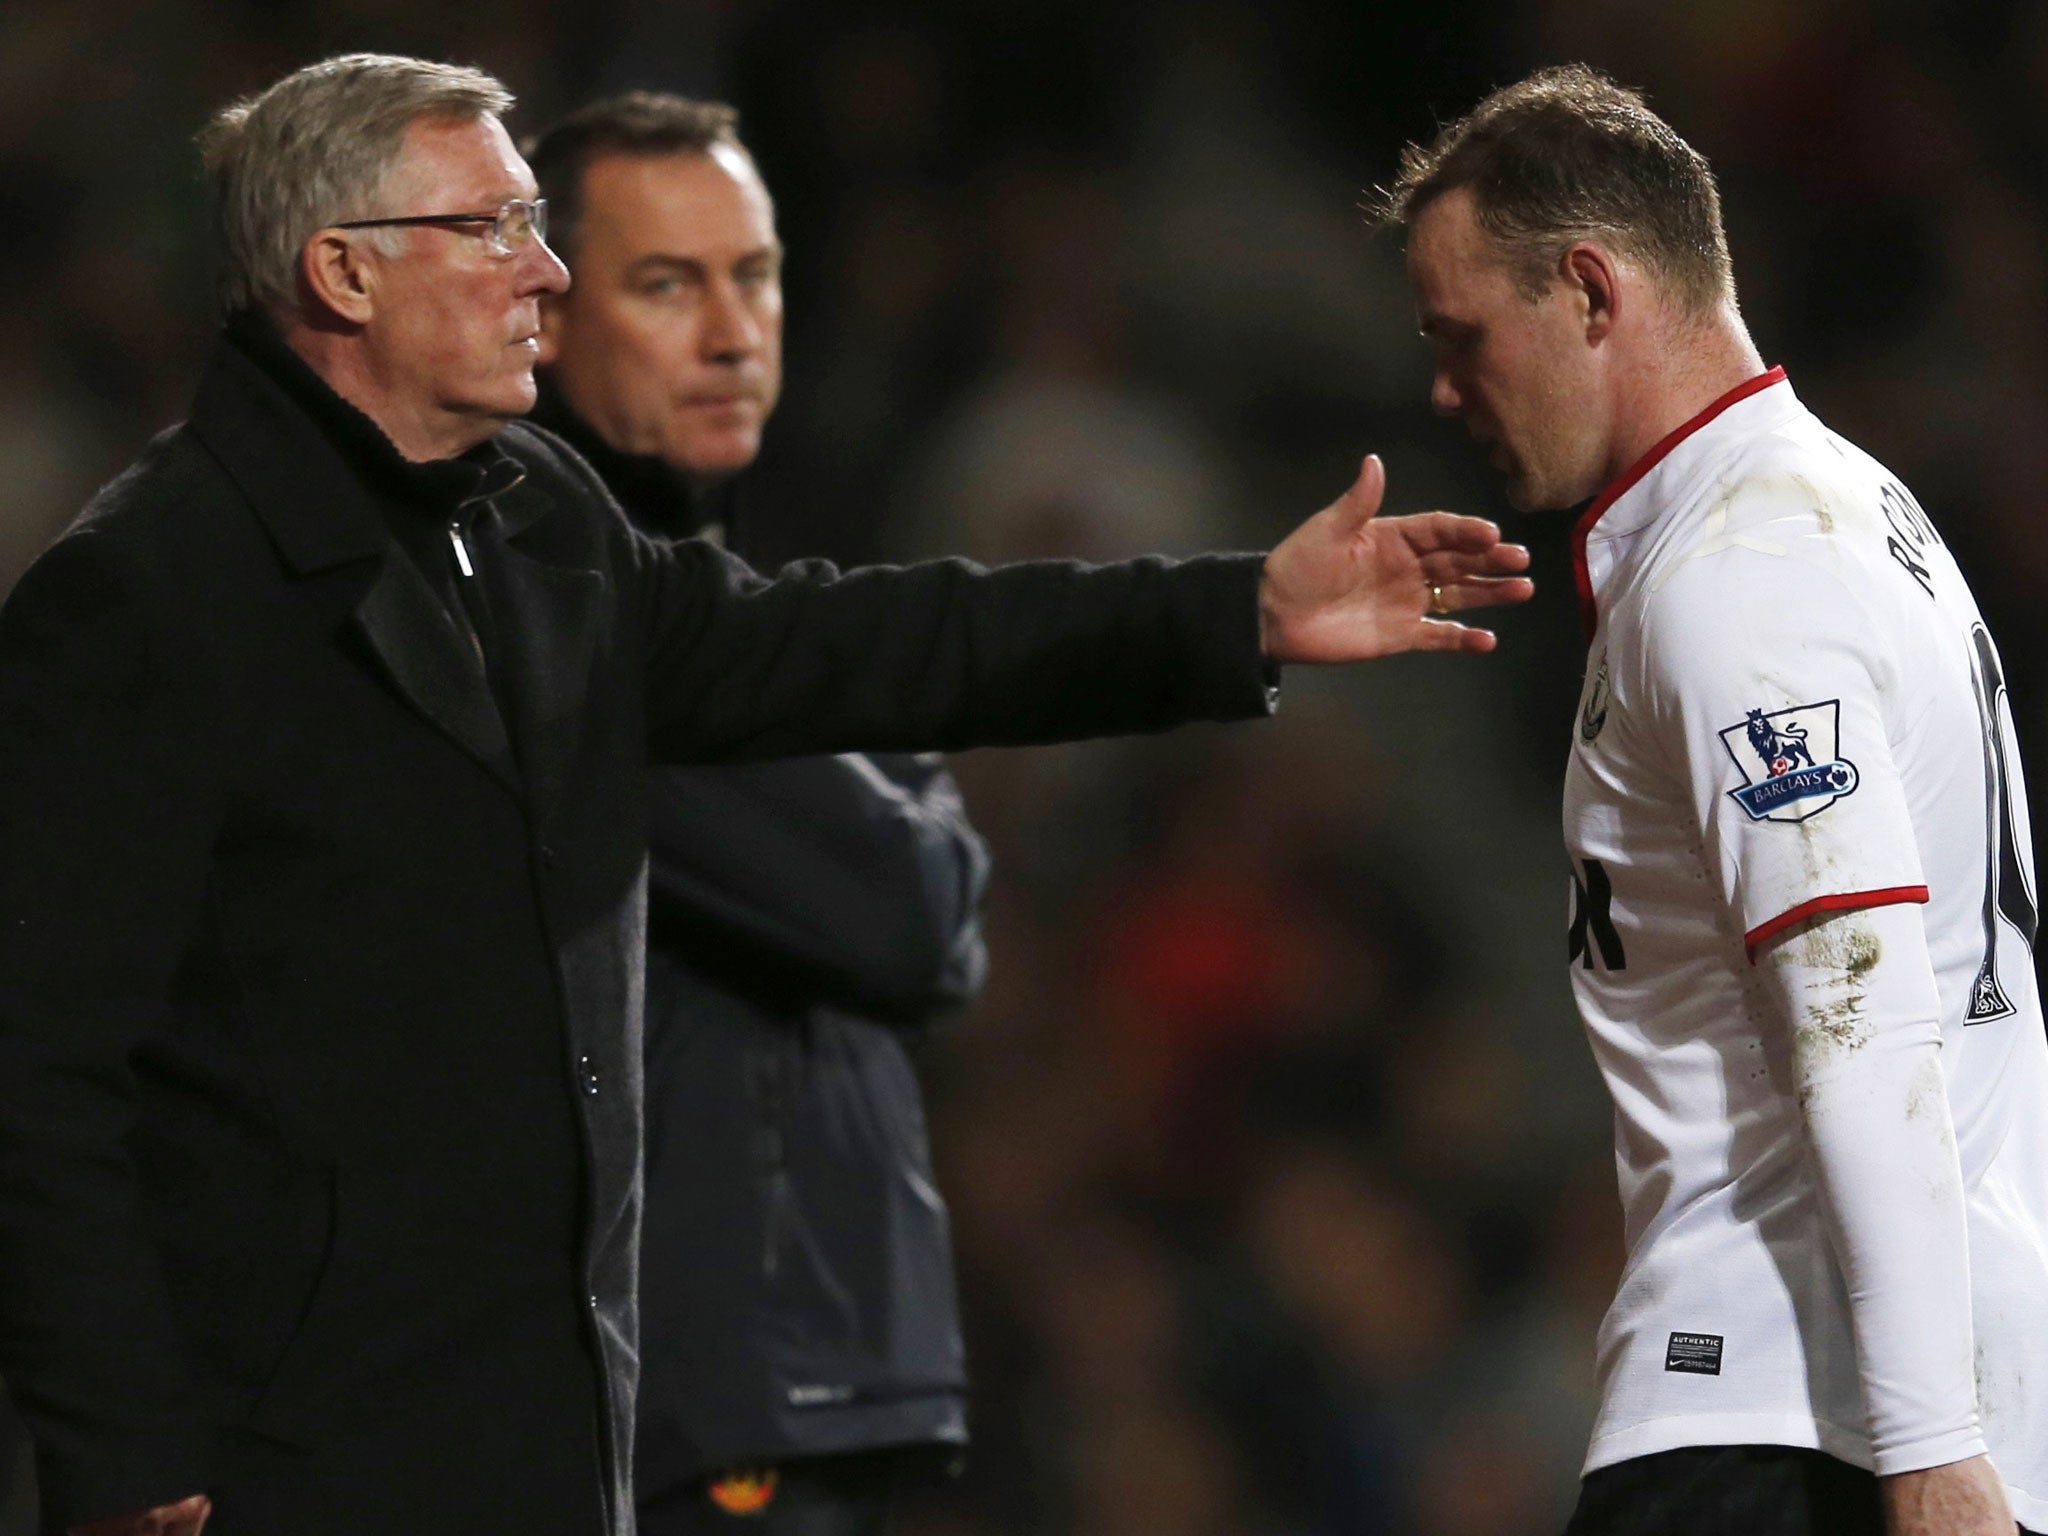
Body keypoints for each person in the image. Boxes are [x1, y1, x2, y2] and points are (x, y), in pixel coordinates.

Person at [0, 52, 1530, 1536]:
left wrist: (1234, 610)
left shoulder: (540, 514)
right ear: (341, 272)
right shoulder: (148, 592)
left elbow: (847, 640)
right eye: (495, 227)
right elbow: (40, 1066)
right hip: (282, 1448)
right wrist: (120, 1443)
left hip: (542, 1427)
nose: (547, 272)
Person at [1378, 65, 2047, 1536]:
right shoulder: (1840, 505)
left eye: (1462, 335)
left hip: (1784, 1413)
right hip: (1859, 1400)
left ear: (1592, 291)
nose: (1442, 388)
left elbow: (1858, 1003)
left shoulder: (1744, 575)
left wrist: (1935, 1449)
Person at [523, 91, 985, 1534]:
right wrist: (903, 807)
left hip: (787, 1385)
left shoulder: (745, 586)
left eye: (756, 275)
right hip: (697, 1398)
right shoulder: (568, 610)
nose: (733, 331)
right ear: (540, 316)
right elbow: (914, 907)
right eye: (666, 284)